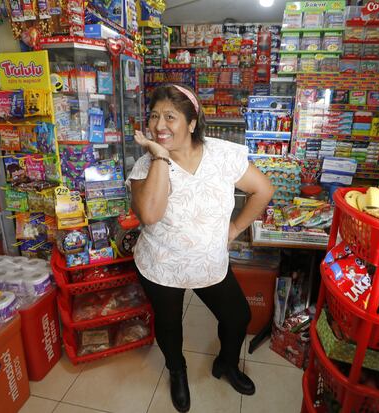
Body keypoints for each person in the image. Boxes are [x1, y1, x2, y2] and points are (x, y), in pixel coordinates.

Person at [125, 84, 275, 412]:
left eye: (170, 117)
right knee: (169, 326)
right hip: (162, 263)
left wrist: (234, 228)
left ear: (192, 123)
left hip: (209, 262)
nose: (159, 125)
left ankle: (227, 363)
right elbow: (149, 215)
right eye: (154, 116)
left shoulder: (222, 155)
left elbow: (263, 190)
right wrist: (160, 156)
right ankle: (177, 371)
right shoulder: (145, 166)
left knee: (238, 317)